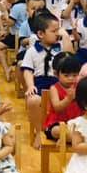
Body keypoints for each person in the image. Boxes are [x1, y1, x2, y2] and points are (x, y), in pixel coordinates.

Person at [22, 12, 63, 149]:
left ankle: (62, 131)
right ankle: (39, 132)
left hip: (57, 84)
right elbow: (27, 70)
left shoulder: (60, 49)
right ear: (40, 34)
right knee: (33, 100)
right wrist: (30, 86)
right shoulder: (32, 51)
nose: (57, 34)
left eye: (58, 30)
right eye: (54, 31)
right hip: (39, 83)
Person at [44, 53, 83, 142]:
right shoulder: (54, 88)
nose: (71, 78)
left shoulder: (80, 86)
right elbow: (57, 108)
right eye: (66, 75)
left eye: (74, 75)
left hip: (77, 123)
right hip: (57, 122)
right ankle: (73, 139)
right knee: (57, 131)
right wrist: (68, 99)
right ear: (57, 74)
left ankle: (69, 139)